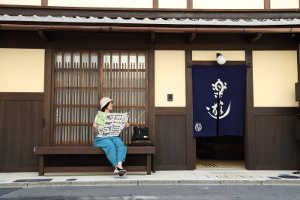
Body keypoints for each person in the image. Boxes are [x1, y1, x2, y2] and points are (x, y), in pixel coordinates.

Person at [93, 97, 130, 176]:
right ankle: (116, 167)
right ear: (106, 105)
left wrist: (125, 124)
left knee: (120, 144)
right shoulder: (100, 116)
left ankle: (120, 165)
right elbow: (96, 132)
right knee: (110, 145)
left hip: (113, 137)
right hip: (101, 138)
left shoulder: (113, 116)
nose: (112, 105)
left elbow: (117, 128)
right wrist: (95, 127)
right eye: (110, 103)